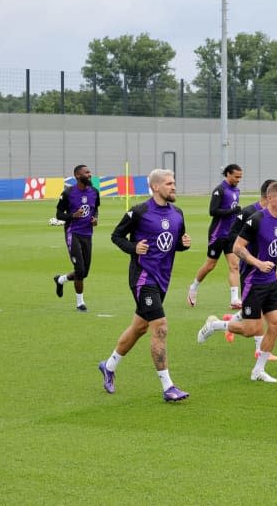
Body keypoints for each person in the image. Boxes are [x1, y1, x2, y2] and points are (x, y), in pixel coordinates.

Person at [197, 182, 277, 382]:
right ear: (270, 198)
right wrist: (257, 263)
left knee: (275, 324)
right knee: (252, 330)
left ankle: (258, 370)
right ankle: (215, 325)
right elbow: (238, 247)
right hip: (252, 281)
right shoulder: (256, 220)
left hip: (271, 282)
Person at [99, 169, 191, 401]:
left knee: (139, 328)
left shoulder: (178, 213)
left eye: (174, 182)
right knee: (159, 327)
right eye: (169, 183)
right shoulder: (139, 212)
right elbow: (116, 236)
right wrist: (134, 248)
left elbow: (174, 243)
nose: (173, 187)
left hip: (163, 278)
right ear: (156, 187)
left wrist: (183, 244)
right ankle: (168, 387)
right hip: (143, 278)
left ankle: (108, 366)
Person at [187, 164, 243, 309]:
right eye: (236, 176)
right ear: (228, 174)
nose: (238, 179)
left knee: (234, 265)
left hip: (231, 234)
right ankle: (193, 287)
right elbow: (213, 211)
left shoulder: (236, 190)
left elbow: (233, 212)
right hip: (217, 234)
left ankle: (235, 299)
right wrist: (232, 211)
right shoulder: (220, 190)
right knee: (210, 265)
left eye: (240, 177)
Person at [53, 164, 100, 312]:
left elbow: (95, 209)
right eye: (86, 173)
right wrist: (73, 215)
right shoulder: (68, 193)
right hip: (73, 233)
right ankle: (80, 303)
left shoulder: (94, 192)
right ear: (78, 176)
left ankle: (61, 280)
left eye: (90, 172)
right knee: (79, 268)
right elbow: (59, 215)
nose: (90, 175)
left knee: (84, 273)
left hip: (88, 234)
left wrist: (95, 219)